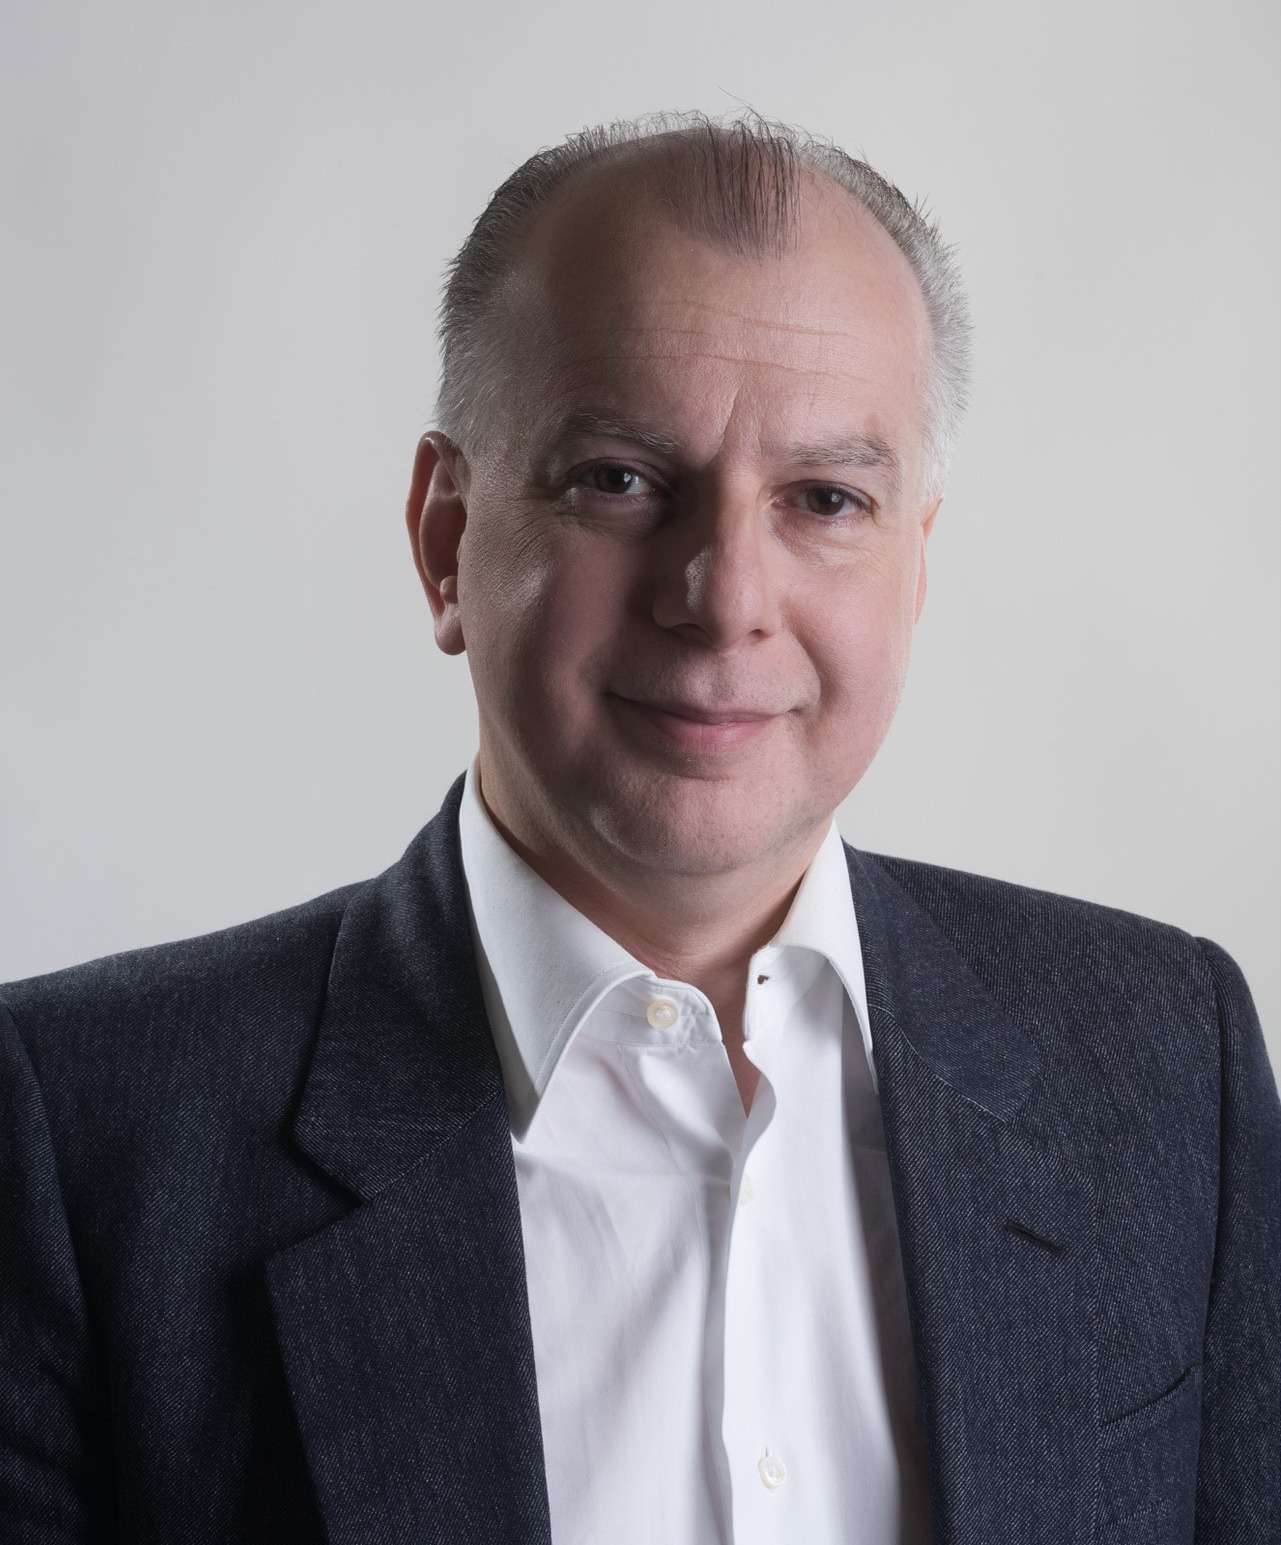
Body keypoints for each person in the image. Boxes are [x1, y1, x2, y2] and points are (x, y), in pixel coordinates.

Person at [1, 108, 1276, 1545]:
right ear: (444, 540)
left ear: (914, 566)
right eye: (619, 480)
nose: (724, 597)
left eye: (825, 498)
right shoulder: (81, 1132)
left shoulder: (1165, 1063)